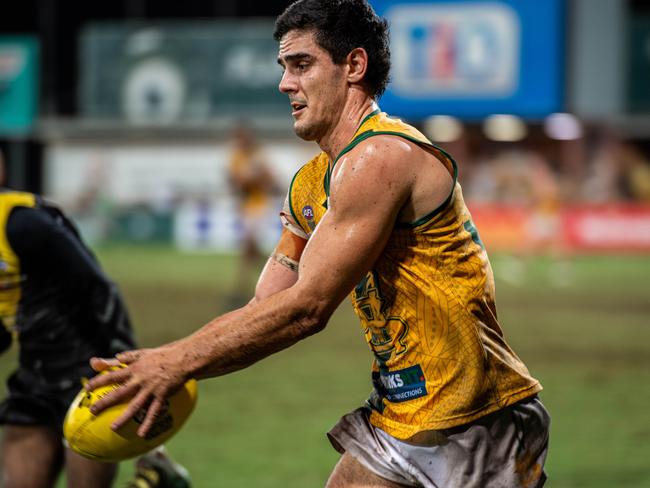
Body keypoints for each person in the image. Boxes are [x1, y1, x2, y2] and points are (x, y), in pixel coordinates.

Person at [87, 1, 550, 486]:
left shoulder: (382, 155)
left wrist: (175, 362)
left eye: (302, 64)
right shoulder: (311, 184)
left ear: (353, 66)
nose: (285, 83)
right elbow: (268, 306)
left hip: (476, 419)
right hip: (403, 413)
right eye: (284, 67)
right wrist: (168, 367)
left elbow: (306, 309)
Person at [0, 178, 189, 487]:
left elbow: (99, 289)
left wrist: (125, 370)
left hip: (88, 375)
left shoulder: (23, 222)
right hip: (34, 376)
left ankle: (156, 469)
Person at [226, 122, 282, 305]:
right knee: (251, 250)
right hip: (245, 207)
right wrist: (250, 178)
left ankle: (240, 290)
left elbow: (272, 179)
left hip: (259, 206)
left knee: (248, 247)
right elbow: (235, 182)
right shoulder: (237, 157)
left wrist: (253, 178)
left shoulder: (257, 156)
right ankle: (277, 280)